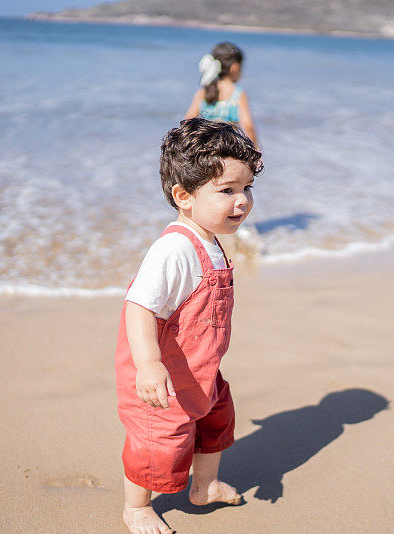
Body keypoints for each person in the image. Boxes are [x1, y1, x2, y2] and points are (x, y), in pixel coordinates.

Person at [115, 117, 263, 533]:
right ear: (184, 196)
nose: (243, 200)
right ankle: (137, 507)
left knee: (216, 421)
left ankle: (205, 485)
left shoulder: (210, 238)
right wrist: (148, 365)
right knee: (157, 442)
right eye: (228, 190)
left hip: (201, 371)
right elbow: (140, 306)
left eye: (247, 187)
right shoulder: (175, 249)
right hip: (162, 379)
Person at [184, 42, 259, 146]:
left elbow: (187, 122)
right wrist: (255, 149)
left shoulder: (203, 91)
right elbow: (248, 126)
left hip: (205, 150)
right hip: (228, 149)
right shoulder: (238, 94)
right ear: (235, 68)